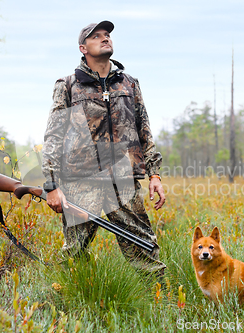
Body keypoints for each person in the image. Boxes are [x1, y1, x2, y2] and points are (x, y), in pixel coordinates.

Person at [41, 20, 166, 278]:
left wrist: (154, 175)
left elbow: (144, 129)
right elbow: (54, 135)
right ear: (82, 48)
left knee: (145, 249)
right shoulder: (67, 85)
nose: (105, 38)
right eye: (96, 36)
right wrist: (51, 184)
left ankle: (163, 304)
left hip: (124, 181)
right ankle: (71, 304)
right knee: (74, 253)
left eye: (107, 34)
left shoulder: (129, 84)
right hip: (80, 181)